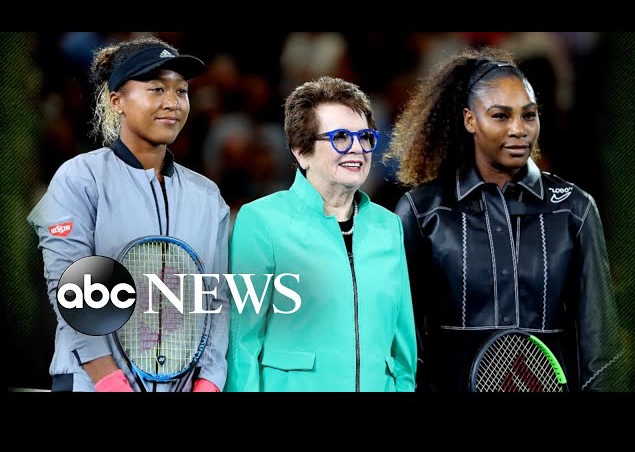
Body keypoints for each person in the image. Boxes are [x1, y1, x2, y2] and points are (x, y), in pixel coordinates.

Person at [386, 47, 626, 392]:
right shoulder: (422, 212)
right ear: (470, 120)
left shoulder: (575, 209)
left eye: (529, 115)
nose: (519, 129)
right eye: (500, 116)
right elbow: (401, 345)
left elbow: (601, 351)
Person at [27, 36, 230, 392]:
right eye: (156, 89)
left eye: (181, 91)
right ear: (116, 100)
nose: (172, 103)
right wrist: (110, 381)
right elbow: (69, 290)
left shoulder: (208, 196)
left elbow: (217, 299)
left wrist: (210, 381)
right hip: (91, 383)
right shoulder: (78, 178)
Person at [224, 76, 417, 392]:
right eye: (340, 137)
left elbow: (402, 347)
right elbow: (242, 344)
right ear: (302, 150)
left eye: (365, 137)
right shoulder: (261, 221)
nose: (357, 149)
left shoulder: (388, 226)